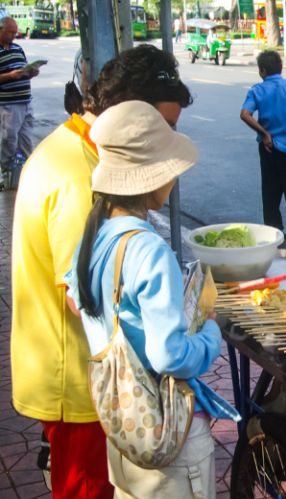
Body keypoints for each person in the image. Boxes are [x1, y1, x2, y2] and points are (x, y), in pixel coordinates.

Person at [11, 44, 193, 499]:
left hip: (89, 377)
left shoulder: (83, 151)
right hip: (79, 384)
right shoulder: (78, 175)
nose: (167, 144)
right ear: (130, 120)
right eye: (164, 129)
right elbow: (86, 297)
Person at [64, 100, 239, 499]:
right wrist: (211, 331)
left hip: (123, 426)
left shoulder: (94, 235)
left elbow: (80, 302)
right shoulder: (148, 249)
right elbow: (170, 356)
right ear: (149, 176)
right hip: (168, 436)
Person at [240, 50, 286, 240]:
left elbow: (245, 114)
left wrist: (264, 133)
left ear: (263, 71)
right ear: (280, 68)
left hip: (269, 149)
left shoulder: (256, 90)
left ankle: (275, 234)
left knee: (271, 194)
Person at [0, 16, 39, 171]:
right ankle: (6, 169)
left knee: (25, 137)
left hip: (25, 101)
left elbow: (23, 71)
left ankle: (26, 169)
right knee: (9, 139)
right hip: (9, 105)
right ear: (0, 30)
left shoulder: (17, 48)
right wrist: (10, 76)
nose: (13, 36)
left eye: (15, 33)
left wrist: (30, 73)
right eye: (10, 32)